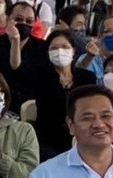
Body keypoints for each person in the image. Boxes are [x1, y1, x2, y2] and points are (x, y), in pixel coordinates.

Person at [27, 30, 96, 161]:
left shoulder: (87, 77)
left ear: (73, 50)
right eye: (54, 48)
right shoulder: (39, 76)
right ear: (48, 52)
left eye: (65, 47)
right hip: (48, 138)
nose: (60, 51)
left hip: (82, 135)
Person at [0, 1, 49, 110]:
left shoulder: (43, 48)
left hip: (33, 108)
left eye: (29, 21)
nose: (23, 23)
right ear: (8, 18)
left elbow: (40, 81)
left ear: (34, 23)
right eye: (18, 19)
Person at [75, 16, 113, 83]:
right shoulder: (89, 59)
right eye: (110, 31)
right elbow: (78, 77)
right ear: (100, 36)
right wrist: (89, 58)